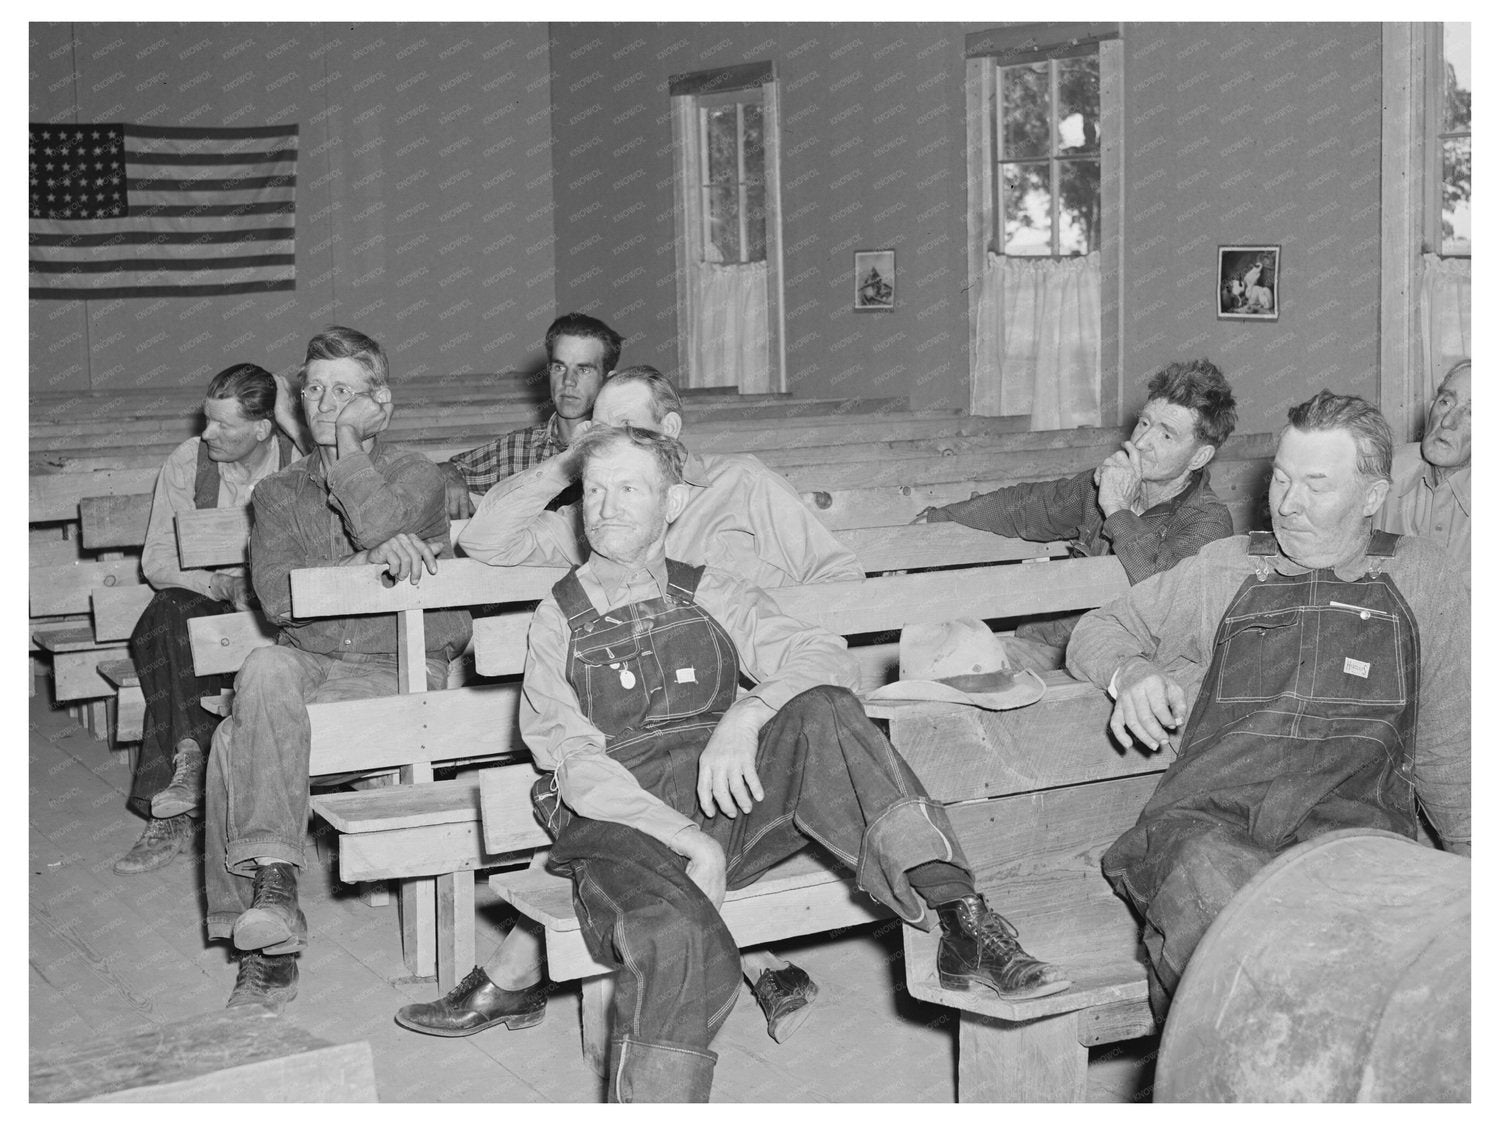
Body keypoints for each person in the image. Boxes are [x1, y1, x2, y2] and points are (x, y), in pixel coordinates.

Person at [516, 425, 1069, 1101]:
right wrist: (684, 838)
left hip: (722, 801)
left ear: (676, 501)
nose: (605, 506)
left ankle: (961, 920)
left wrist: (747, 715)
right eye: (594, 490)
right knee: (676, 936)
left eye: (629, 487)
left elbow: (824, 657)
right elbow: (573, 764)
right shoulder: (558, 618)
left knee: (827, 708)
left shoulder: (711, 588)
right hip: (623, 829)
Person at [397, 366, 864, 1042]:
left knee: (642, 819)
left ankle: (514, 975)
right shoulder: (603, 515)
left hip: (740, 719)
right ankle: (753, 963)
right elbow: (483, 539)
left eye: (628, 429)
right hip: (633, 727)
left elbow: (841, 582)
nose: (611, 444)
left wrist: (745, 619)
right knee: (614, 792)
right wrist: (574, 458)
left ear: (670, 432)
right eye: (600, 430)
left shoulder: (744, 484)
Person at [1067, 390, 1470, 1020]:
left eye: (1315, 484)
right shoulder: (1224, 569)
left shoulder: (1425, 580)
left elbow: (1453, 759)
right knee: (1229, 924)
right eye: (1281, 479)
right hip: (1209, 828)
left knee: (1395, 969)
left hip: (1353, 838)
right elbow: (1098, 629)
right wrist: (1133, 673)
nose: (1288, 504)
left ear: (1371, 497)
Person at [203, 327, 471, 1010]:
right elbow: (280, 598)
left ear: (380, 402)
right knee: (264, 666)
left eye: (344, 391)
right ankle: (277, 891)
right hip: (313, 662)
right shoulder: (278, 493)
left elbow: (381, 521)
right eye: (315, 388)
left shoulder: (418, 472)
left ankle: (266, 941)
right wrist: (362, 570)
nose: (324, 403)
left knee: (235, 741)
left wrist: (351, 448)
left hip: (400, 668)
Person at [915, 359, 1238, 671]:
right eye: (1144, 423)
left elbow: (1162, 594)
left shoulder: (1208, 523)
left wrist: (1117, 509)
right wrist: (937, 519)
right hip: (1055, 647)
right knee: (942, 659)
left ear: (1199, 457)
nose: (1140, 442)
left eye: (1166, 434)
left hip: (1135, 664)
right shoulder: (1105, 483)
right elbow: (1025, 507)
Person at [113, 364, 307, 875]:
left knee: (205, 640)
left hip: (283, 608)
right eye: (207, 420)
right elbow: (157, 561)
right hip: (212, 601)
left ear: (264, 428)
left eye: (225, 426)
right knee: (165, 618)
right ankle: (188, 759)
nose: (207, 433)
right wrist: (220, 584)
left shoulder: (299, 463)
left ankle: (177, 800)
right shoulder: (187, 462)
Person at [436, 311, 622, 518]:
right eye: (559, 367)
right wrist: (448, 474)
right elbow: (445, 470)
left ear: (608, 381)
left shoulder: (624, 451)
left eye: (584, 370)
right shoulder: (516, 448)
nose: (568, 381)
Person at [1379, 359, 1470, 585]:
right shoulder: (1384, 469)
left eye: (1472, 413)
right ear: (1431, 407)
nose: (1448, 421)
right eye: (1446, 402)